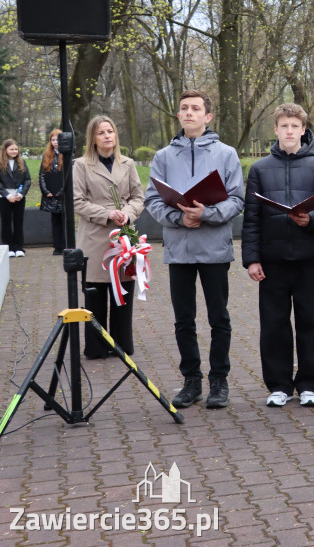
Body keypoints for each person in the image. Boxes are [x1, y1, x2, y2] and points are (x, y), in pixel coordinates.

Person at [144, 90, 245, 410]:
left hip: (214, 247)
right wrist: (177, 217)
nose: (189, 112)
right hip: (180, 249)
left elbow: (237, 199)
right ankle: (191, 381)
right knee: (183, 319)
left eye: (196, 108)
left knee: (219, 318)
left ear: (208, 116)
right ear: (178, 115)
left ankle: (219, 381)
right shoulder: (162, 157)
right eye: (184, 108)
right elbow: (152, 200)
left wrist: (207, 214)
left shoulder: (226, 154)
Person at [243, 104, 314, 408]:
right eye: (283, 126)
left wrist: (311, 219)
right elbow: (252, 219)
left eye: (294, 126)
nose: (289, 131)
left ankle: (310, 385)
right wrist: (252, 259)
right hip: (271, 261)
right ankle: (279, 385)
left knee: (311, 322)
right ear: (275, 130)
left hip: (308, 258)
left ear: (303, 130)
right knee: (274, 324)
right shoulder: (259, 169)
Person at [73, 116, 146, 358]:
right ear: (92, 138)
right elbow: (77, 201)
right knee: (95, 294)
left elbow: (138, 197)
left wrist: (126, 213)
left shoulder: (128, 163)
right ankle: (95, 346)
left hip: (123, 238)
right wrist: (106, 213)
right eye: (101, 132)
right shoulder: (81, 165)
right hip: (94, 237)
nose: (107, 136)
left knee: (122, 292)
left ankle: (121, 344)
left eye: (110, 131)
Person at [0, 139, 31, 258]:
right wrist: (7, 195)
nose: (14, 151)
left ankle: (19, 247)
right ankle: (8, 247)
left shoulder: (22, 162)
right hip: (4, 197)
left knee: (18, 222)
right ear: (5, 150)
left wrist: (21, 194)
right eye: (11, 149)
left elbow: (27, 179)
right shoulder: (1, 163)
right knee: (6, 222)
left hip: (19, 197)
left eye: (16, 149)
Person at [39, 129, 67, 255]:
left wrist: (62, 191)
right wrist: (46, 191)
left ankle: (65, 245)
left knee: (64, 221)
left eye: (57, 139)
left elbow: (68, 176)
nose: (55, 142)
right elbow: (41, 175)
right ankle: (57, 247)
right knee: (55, 221)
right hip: (51, 195)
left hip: (62, 195)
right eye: (53, 140)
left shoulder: (66, 155)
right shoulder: (46, 156)